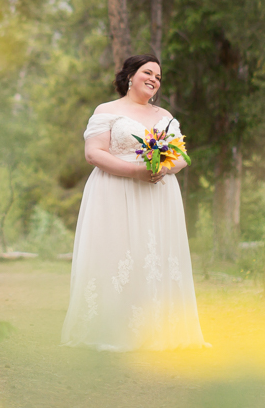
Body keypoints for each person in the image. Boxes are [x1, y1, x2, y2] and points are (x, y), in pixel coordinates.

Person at [61, 54, 209, 351]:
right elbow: (94, 153)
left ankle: (157, 330)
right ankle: (111, 330)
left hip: (158, 194)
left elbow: (179, 155)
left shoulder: (164, 116)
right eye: (148, 72)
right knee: (117, 254)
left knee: (152, 257)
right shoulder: (107, 111)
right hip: (114, 191)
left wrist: (163, 168)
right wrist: (136, 172)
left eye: (158, 76)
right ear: (130, 75)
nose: (154, 79)